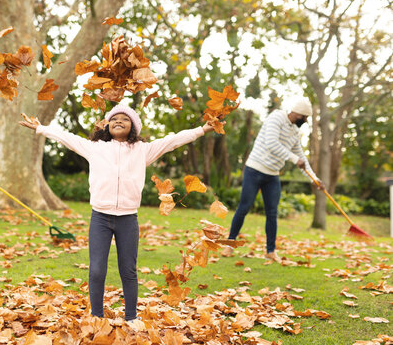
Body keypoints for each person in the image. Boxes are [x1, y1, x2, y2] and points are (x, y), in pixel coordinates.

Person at [19, 104, 215, 322]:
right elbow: (67, 138)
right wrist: (41, 128)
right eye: (114, 119)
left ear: (133, 127)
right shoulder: (95, 147)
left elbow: (172, 141)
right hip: (100, 218)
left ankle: (131, 318)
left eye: (125, 119)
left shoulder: (143, 150)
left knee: (128, 271)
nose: (119, 121)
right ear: (107, 125)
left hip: (128, 219)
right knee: (96, 271)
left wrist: (203, 129)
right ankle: (97, 317)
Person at [225, 97, 324, 261]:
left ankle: (270, 251)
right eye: (305, 118)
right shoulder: (276, 118)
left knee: (272, 213)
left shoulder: (294, 131)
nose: (306, 121)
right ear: (298, 114)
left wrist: (315, 179)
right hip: (254, 169)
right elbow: (272, 143)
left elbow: (301, 157)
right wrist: (293, 159)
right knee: (244, 207)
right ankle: (229, 245)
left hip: (272, 175)